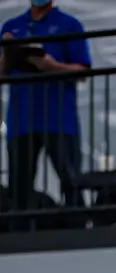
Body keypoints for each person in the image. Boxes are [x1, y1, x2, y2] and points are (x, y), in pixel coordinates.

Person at [0, 2, 91, 216]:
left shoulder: (69, 25)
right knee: (19, 186)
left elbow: (83, 71)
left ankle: (77, 225)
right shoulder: (11, 26)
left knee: (70, 180)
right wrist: (7, 54)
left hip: (59, 118)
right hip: (21, 120)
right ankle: (21, 229)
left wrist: (50, 66)